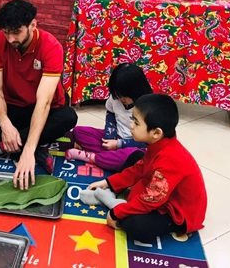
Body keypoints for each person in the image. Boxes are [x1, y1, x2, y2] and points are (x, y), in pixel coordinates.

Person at [0, 0, 77, 189]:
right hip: (11, 108)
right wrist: (5, 123)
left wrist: (28, 150)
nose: (10, 39)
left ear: (32, 25)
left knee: (68, 117)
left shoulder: (51, 46)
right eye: (6, 32)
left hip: (43, 110)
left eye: (16, 32)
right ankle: (31, 146)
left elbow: (44, 102)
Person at [86, 94, 207, 243]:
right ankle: (118, 194)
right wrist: (108, 182)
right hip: (161, 190)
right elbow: (141, 167)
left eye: (136, 123)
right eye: (132, 120)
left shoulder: (170, 160)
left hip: (177, 211)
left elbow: (151, 199)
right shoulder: (159, 144)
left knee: (136, 225)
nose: (131, 126)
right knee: (135, 156)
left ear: (156, 133)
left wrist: (116, 213)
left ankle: (124, 203)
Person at [66, 63, 152, 171]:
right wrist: (109, 136)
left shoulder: (148, 106)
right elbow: (110, 114)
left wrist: (120, 144)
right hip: (115, 138)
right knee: (78, 132)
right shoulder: (115, 98)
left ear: (136, 91)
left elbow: (147, 141)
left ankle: (92, 157)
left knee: (134, 156)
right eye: (117, 95)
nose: (121, 99)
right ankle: (108, 157)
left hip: (134, 145)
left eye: (124, 96)